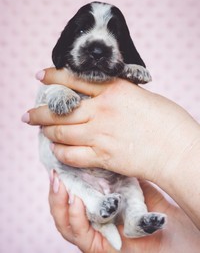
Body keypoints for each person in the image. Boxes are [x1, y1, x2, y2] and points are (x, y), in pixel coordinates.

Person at [22, 67, 200, 253]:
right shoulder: (58, 77)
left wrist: (174, 155)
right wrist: (56, 92)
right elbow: (46, 95)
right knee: (73, 184)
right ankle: (98, 209)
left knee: (130, 185)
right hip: (72, 169)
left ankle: (134, 220)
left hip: (113, 172)